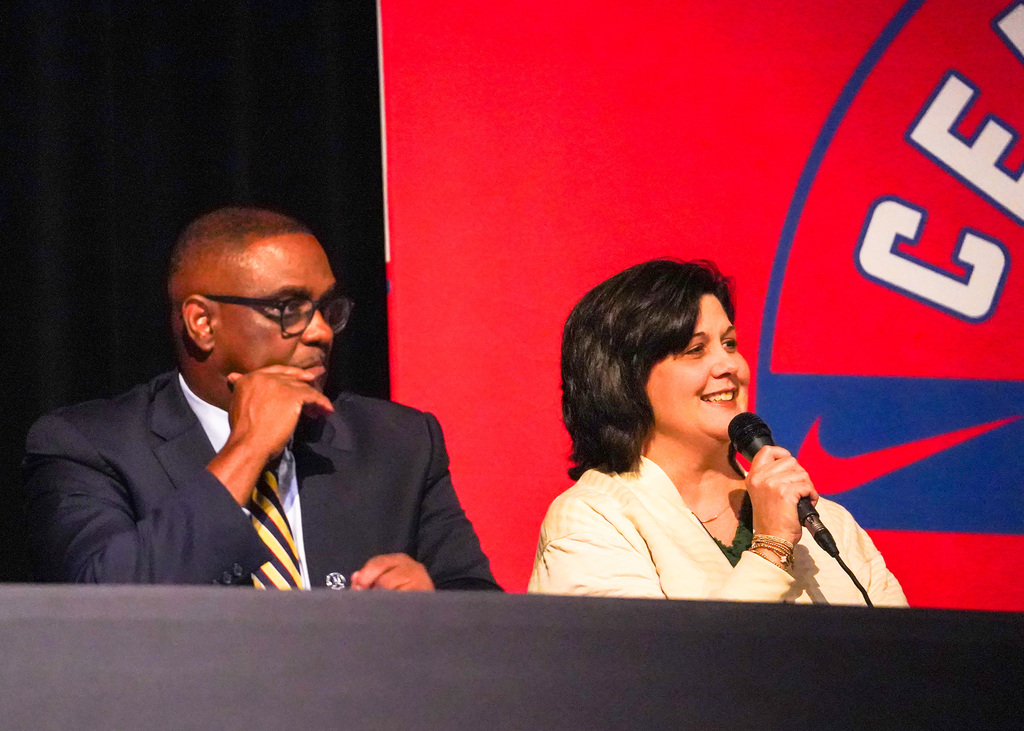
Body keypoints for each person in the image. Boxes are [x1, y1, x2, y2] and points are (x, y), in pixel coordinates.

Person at [24, 206, 499, 591]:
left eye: (325, 308)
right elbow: (105, 603)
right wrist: (247, 449)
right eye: (288, 309)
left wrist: (433, 600)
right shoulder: (88, 445)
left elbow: (484, 610)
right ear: (202, 324)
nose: (319, 333)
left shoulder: (401, 442)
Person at [529, 259, 906, 605]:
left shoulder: (827, 520)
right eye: (696, 350)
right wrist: (771, 547)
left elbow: (907, 664)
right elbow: (647, 672)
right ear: (625, 380)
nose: (729, 364)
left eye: (729, 343)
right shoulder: (593, 518)